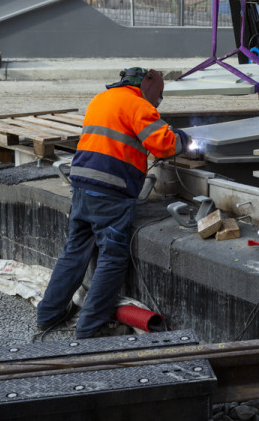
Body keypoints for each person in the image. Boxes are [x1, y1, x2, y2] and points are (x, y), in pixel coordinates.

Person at [37, 67, 190, 338]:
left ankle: (49, 314)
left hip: (82, 186)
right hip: (112, 193)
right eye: (159, 97)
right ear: (149, 87)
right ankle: (90, 328)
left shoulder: (100, 99)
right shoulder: (138, 104)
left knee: (75, 251)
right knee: (112, 258)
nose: (158, 103)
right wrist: (183, 139)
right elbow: (165, 145)